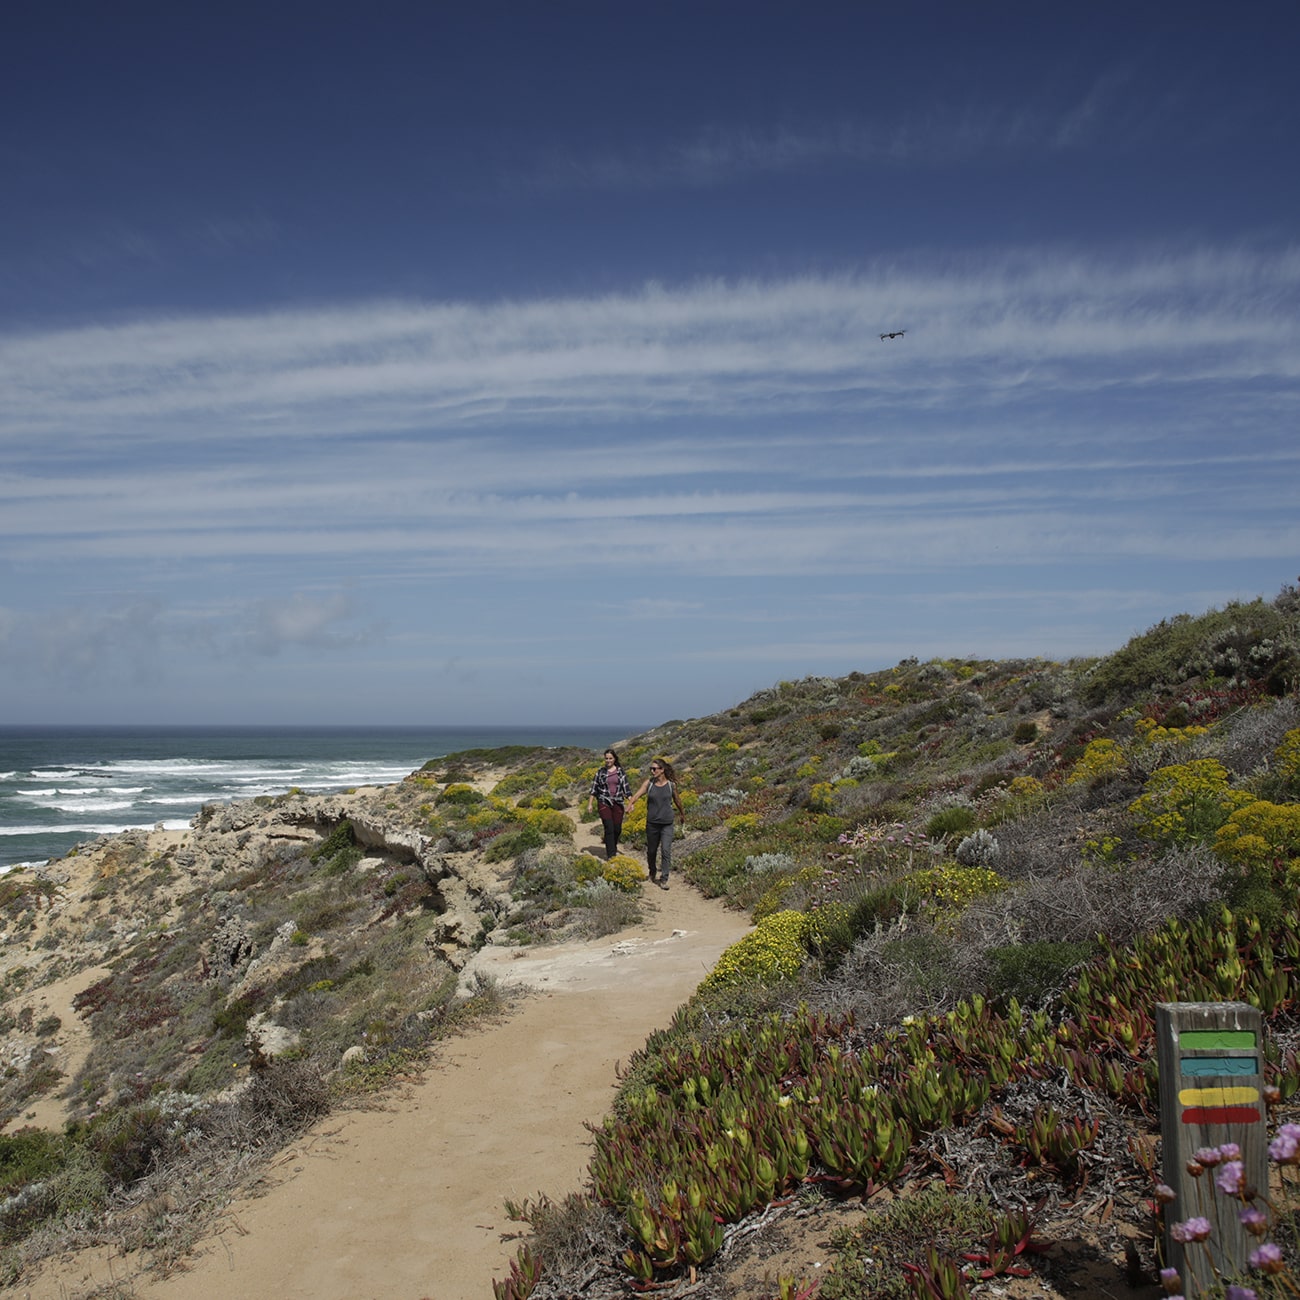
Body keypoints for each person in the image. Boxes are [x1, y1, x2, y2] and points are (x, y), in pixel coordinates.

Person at [626, 757, 685, 889]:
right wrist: (630, 805)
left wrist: (682, 814)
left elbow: (678, 800)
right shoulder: (649, 783)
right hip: (652, 823)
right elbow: (636, 795)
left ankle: (664, 878)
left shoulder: (671, 785)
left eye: (654, 769)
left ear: (662, 770)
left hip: (667, 823)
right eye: (651, 769)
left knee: (666, 850)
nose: (652, 771)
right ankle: (652, 871)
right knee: (651, 851)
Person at [587, 748, 631, 860]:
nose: (608, 760)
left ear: (614, 759)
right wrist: (590, 804)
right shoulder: (600, 772)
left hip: (618, 802)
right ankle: (611, 855)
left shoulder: (620, 772)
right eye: (606, 758)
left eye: (610, 758)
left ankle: (613, 846)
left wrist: (631, 803)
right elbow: (593, 789)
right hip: (604, 801)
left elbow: (626, 789)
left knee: (617, 829)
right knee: (609, 827)